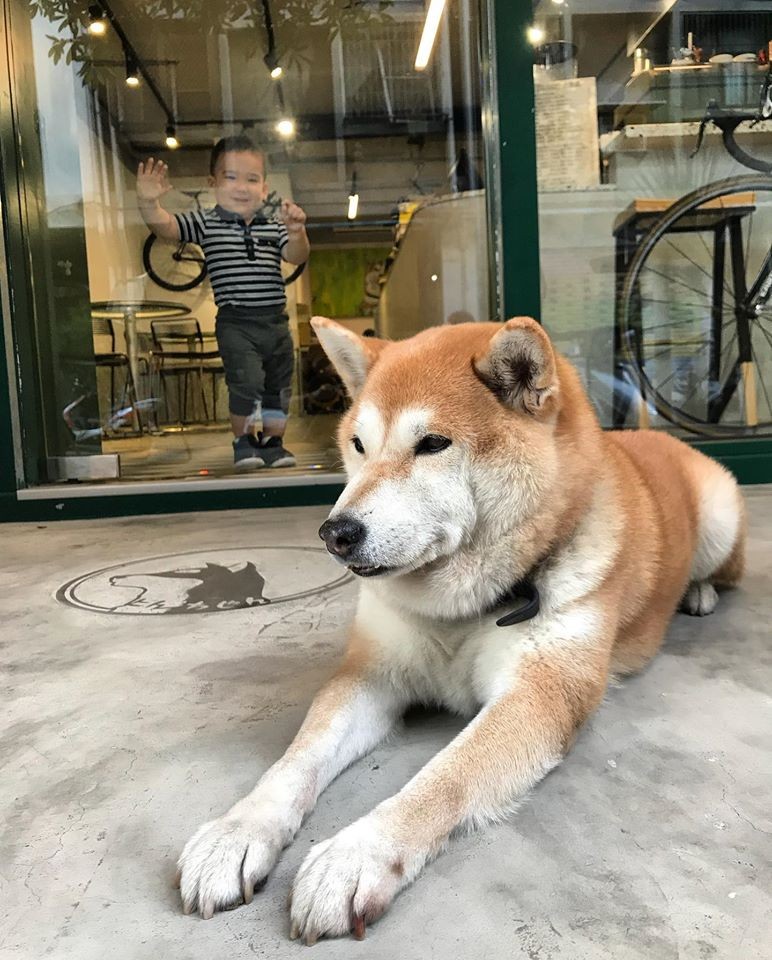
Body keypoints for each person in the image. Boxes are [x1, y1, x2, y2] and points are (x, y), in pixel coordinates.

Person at [136, 135, 309, 470]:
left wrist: (298, 231)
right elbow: (168, 229)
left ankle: (273, 443)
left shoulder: (274, 227)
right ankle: (244, 441)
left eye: (251, 179)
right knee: (244, 383)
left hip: (276, 321)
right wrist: (148, 205)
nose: (241, 187)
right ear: (212, 183)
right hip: (236, 322)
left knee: (278, 385)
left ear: (264, 188)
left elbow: (296, 255)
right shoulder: (205, 222)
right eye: (230, 177)